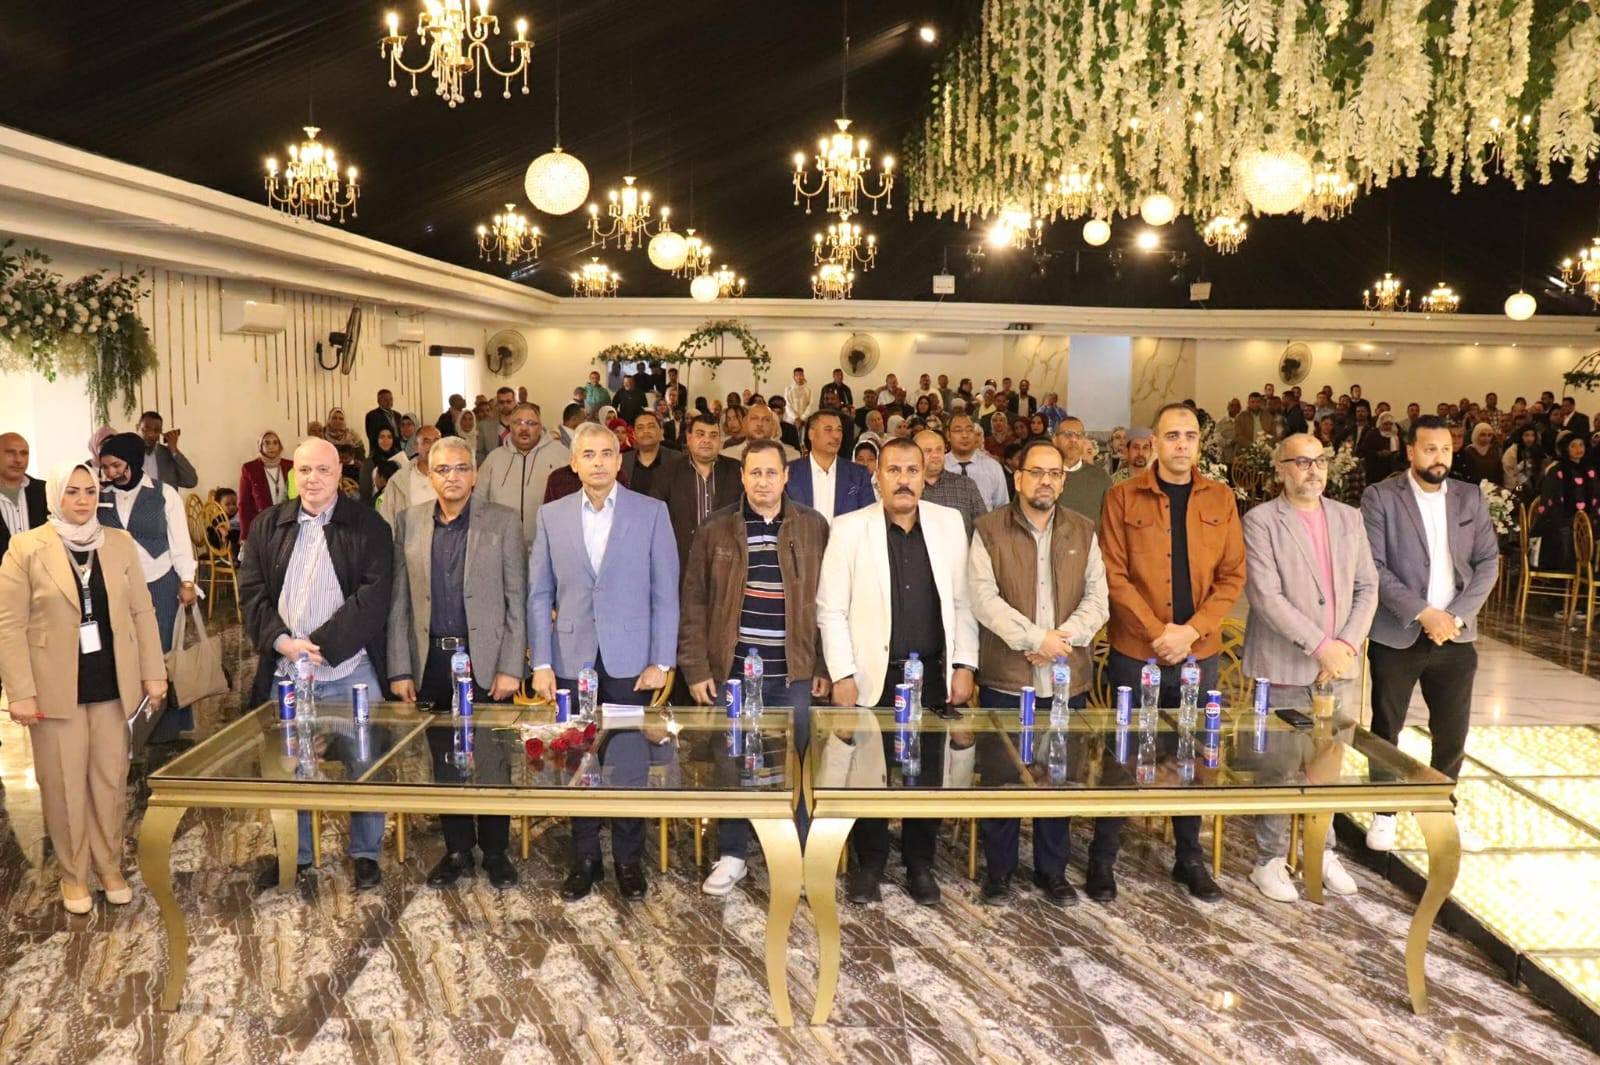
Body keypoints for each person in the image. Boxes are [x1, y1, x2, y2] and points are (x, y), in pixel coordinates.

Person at [816, 437, 978, 907]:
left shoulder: (949, 524)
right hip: (873, 677)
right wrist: (842, 673)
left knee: (926, 774)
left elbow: (964, 603)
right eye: (893, 470)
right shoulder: (849, 528)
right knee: (867, 774)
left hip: (932, 675)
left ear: (924, 476)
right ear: (877, 477)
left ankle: (919, 863)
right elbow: (830, 609)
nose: (903, 480)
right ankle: (869, 863)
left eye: (912, 470)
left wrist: (965, 664)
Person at [0, 460, 167, 912]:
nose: (82, 500)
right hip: (55, 690)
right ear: (56, 496)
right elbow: (9, 626)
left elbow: (142, 611)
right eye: (72, 492)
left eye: (90, 491)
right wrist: (20, 692)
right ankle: (73, 875)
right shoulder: (26, 548)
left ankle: (108, 865)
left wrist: (154, 671)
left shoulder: (118, 542)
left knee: (110, 782)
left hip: (112, 684)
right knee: (64, 785)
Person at [1098, 403, 1246, 903]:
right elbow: (1113, 572)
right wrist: (1157, 632)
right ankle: (1103, 856)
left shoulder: (1221, 498)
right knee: (1122, 754)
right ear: (1154, 443)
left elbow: (1233, 576)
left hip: (1198, 655)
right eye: (1172, 436)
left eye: (1190, 436)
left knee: (1193, 755)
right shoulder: (1122, 497)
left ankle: (1189, 858)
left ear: (1199, 443)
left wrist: (1191, 632)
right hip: (1135, 651)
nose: (1182, 444)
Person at [528, 423, 678, 902]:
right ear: (574, 464)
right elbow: (539, 594)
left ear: (619, 460)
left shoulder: (650, 512)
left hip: (630, 661)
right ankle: (586, 858)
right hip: (571, 658)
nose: (597, 462)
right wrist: (542, 661)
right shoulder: (551, 516)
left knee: (629, 762)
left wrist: (661, 659)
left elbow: (665, 591)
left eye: (607, 453)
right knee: (578, 761)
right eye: (588, 454)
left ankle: (629, 860)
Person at [239, 437, 393, 890]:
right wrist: (285, 643)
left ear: (340, 472)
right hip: (287, 672)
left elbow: (374, 596)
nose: (313, 479)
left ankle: (365, 854)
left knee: (366, 762)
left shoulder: (368, 525)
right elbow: (251, 593)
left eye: (323, 470)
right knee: (290, 767)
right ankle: (298, 854)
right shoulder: (268, 525)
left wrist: (320, 645)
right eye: (304, 470)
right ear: (294, 475)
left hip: (349, 671)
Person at [679, 439, 830, 894]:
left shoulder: (813, 527)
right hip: (733, 673)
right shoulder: (716, 528)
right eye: (755, 473)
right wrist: (696, 667)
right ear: (742, 477)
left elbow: (830, 603)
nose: (763, 482)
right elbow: (694, 601)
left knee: (799, 763)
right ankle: (733, 855)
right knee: (732, 763)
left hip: (794, 673)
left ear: (786, 477)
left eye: (771, 473)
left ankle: (799, 855)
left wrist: (824, 664)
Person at [968, 438, 1108, 904]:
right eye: (1037, 472)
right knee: (1003, 778)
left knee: (1059, 777)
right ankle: (1000, 872)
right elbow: (983, 599)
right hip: (1008, 678)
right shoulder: (989, 529)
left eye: (1054, 473)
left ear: (1063, 481)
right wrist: (1035, 639)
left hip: (1067, 679)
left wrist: (1059, 641)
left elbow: (1098, 600)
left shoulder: (1083, 530)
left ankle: (1052, 871)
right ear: (1018, 478)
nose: (1045, 481)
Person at [1241, 434, 1379, 903]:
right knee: (1278, 768)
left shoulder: (1348, 517)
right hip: (1284, 665)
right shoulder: (1261, 521)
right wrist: (1321, 646)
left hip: (1338, 668)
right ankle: (1268, 860)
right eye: (1301, 462)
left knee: (1327, 767)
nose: (1313, 470)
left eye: (1319, 460)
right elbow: (1265, 596)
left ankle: (1322, 850)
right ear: (1280, 468)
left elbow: (1367, 587)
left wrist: (1346, 645)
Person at [388, 436, 527, 890]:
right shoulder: (409, 522)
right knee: (444, 760)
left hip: (486, 661)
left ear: (475, 473)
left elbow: (516, 600)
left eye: (462, 468)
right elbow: (400, 601)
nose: (453, 477)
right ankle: (457, 850)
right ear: (429, 475)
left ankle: (496, 852)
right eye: (443, 469)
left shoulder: (502, 522)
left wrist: (511, 666)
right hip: (431, 661)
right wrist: (400, 668)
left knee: (493, 759)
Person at [1361, 416, 1498, 855]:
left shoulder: (1469, 497)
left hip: (1455, 636)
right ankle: (1383, 813)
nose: (1439, 458)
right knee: (1387, 727)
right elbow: (1374, 567)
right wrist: (1423, 613)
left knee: (1452, 732)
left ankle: (1442, 811)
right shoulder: (1381, 496)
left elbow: (1488, 562)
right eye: (1429, 449)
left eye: (1445, 449)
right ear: (1410, 451)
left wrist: (1454, 617)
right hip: (1398, 632)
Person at [95, 432, 199, 748]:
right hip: (117, 587)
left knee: (162, 653)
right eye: (106, 467)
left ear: (133, 461)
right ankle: (129, 723)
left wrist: (187, 580)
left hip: (160, 582)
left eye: (116, 465)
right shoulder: (100, 496)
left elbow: (180, 540)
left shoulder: (164, 493)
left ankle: (166, 728)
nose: (111, 472)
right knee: (125, 654)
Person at [653, 413, 743, 571]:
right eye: (700, 434)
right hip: (682, 562)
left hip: (728, 564)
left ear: (720, 441)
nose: (707, 440)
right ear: (689, 439)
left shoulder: (737, 471)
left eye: (713, 435)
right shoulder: (668, 472)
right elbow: (654, 519)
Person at [476, 402, 570, 547]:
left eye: (531, 423)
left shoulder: (562, 455)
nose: (524, 428)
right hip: (501, 546)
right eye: (518, 423)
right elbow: (478, 501)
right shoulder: (494, 459)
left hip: (548, 546)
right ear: (510, 426)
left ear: (540, 427)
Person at [785, 409, 873, 525]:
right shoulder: (789, 473)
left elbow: (869, 518)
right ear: (811, 434)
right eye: (828, 429)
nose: (836, 436)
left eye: (839, 430)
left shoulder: (858, 474)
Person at [1532, 433, 1598, 572]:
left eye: (1581, 445)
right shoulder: (1557, 470)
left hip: (1587, 521)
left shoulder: (1590, 470)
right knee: (1565, 548)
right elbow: (1548, 496)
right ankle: (1567, 574)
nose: (1578, 449)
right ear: (1565, 449)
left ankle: (1586, 575)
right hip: (1562, 521)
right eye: (1573, 446)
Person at [914, 429, 986, 539]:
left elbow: (984, 529)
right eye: (928, 451)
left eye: (939, 449)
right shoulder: (908, 488)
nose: (935, 455)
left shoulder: (966, 485)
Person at [378, 425, 441, 525]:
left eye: (436, 441)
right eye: (426, 441)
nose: (433, 446)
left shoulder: (452, 477)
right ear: (416, 446)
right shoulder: (399, 481)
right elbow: (386, 519)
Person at [945, 411, 1008, 510]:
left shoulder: (993, 467)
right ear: (948, 435)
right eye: (958, 430)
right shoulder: (940, 466)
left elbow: (1002, 509)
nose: (965, 435)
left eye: (970, 430)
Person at [1053, 417, 1112, 521]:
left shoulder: (1101, 477)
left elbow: (1110, 519)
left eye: (1079, 435)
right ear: (1055, 440)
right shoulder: (1044, 475)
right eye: (1067, 434)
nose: (1074, 440)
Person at [239, 431, 294, 542]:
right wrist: (245, 535)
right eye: (267, 443)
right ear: (260, 446)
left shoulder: (290, 465)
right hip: (263, 524)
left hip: (287, 522)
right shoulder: (250, 468)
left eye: (275, 443)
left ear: (280, 446)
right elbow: (244, 504)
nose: (271, 447)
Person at [0, 432, 48, 561]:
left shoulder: (45, 491)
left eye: (24, 453)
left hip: (40, 571)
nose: (18, 460)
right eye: (10, 453)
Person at [620, 409, 683, 500]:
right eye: (640, 428)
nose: (646, 431)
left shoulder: (678, 460)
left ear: (661, 431)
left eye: (651, 426)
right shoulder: (623, 461)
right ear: (634, 434)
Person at [136, 411, 199, 490]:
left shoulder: (168, 455)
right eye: (146, 429)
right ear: (137, 428)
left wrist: (174, 450)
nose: (151, 434)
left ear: (161, 432)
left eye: (156, 430)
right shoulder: (127, 454)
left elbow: (191, 481)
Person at [723, 403, 800, 463]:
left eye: (766, 419)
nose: (760, 424)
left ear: (773, 426)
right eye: (754, 418)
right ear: (744, 423)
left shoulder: (791, 457)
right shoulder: (727, 456)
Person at [365, 389, 401, 458]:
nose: (389, 402)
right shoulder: (372, 415)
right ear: (378, 401)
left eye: (391, 399)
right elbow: (372, 437)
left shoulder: (398, 415)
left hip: (397, 451)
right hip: (380, 454)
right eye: (385, 399)